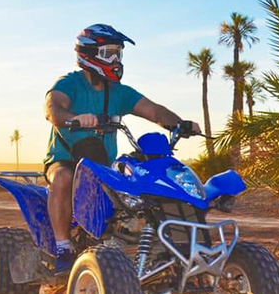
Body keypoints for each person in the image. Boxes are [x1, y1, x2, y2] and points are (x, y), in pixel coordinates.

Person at [44, 23, 200, 273]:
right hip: (66, 158)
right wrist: (74, 117)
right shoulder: (70, 83)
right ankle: (62, 247)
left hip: (103, 163)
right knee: (63, 177)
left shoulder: (119, 92)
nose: (116, 60)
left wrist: (178, 124)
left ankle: (150, 244)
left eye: (119, 53)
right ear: (89, 54)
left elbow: (154, 110)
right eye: (109, 53)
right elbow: (53, 108)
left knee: (141, 183)